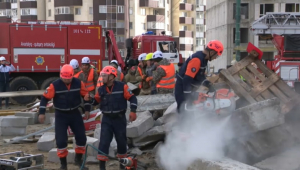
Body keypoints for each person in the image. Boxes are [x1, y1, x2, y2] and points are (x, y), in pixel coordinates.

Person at [38, 64, 90, 170]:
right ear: (61, 76)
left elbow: (86, 96)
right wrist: (41, 112)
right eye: (64, 79)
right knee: (61, 141)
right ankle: (63, 165)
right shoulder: (55, 85)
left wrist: (88, 109)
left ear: (72, 75)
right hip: (61, 115)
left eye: (69, 79)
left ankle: (78, 160)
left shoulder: (78, 83)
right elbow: (44, 98)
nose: (66, 81)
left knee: (81, 138)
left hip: (75, 113)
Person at [86, 66, 137, 170]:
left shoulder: (122, 87)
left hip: (119, 119)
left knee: (121, 142)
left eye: (104, 75)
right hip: (106, 119)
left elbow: (132, 98)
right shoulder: (101, 89)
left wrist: (133, 111)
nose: (102, 77)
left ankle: (122, 167)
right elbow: (95, 102)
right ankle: (102, 167)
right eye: (102, 75)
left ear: (111, 77)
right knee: (104, 142)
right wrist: (89, 99)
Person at [175, 40, 224, 113]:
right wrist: (188, 96)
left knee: (192, 113)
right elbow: (187, 79)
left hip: (188, 89)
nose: (215, 58)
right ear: (212, 52)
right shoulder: (197, 59)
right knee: (184, 113)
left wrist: (208, 84)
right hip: (183, 90)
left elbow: (199, 76)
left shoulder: (204, 59)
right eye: (216, 55)